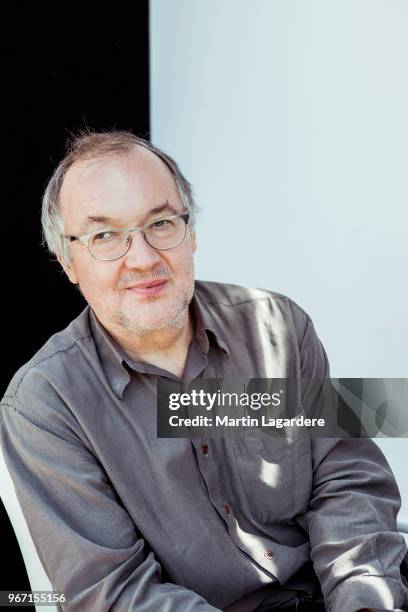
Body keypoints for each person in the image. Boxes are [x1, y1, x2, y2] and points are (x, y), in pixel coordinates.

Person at [1, 130, 407, 612]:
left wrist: (363, 599)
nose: (144, 258)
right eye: (105, 235)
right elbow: (111, 592)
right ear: (67, 260)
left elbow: (348, 481)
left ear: (191, 232)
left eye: (162, 223)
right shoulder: (45, 403)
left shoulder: (278, 326)